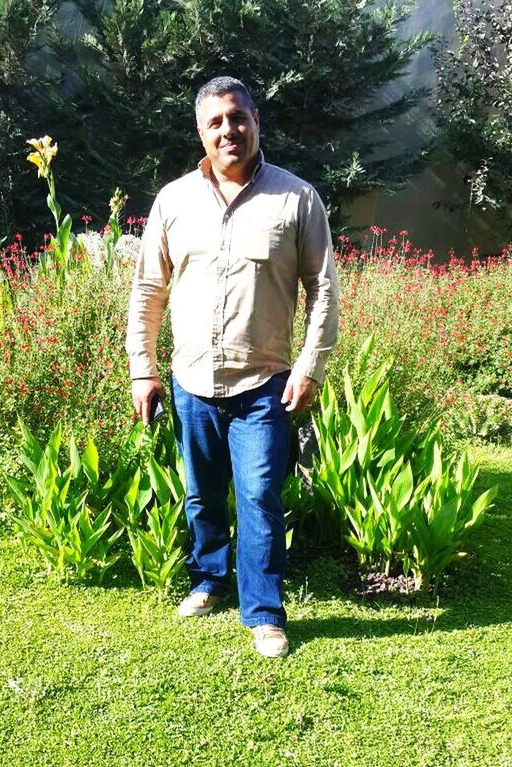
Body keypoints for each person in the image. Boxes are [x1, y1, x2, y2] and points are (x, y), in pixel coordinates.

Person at [125, 76, 338, 658]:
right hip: (191, 379)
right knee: (201, 494)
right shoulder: (173, 201)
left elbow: (322, 289)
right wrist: (143, 369)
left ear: (256, 122)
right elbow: (148, 289)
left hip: (264, 381)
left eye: (238, 117)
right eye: (215, 121)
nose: (228, 130)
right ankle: (210, 581)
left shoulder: (296, 199)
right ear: (201, 131)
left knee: (260, 495)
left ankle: (264, 613)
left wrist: (310, 366)